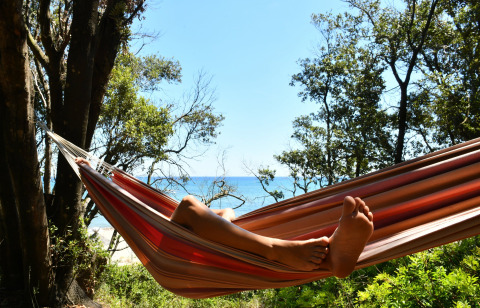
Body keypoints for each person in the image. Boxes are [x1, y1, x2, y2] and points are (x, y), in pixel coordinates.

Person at [75, 158, 374, 278]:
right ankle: (276, 248)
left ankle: (334, 257)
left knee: (208, 211)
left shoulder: (195, 221)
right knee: (189, 204)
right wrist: (93, 174)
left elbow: (222, 214)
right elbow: (189, 211)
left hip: (195, 246)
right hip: (167, 253)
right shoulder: (158, 218)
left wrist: (225, 217)